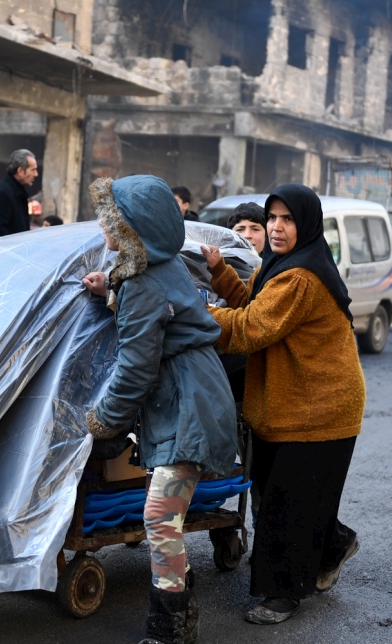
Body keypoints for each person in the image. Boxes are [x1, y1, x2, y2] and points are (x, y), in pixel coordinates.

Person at [82, 175, 238, 644]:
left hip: (188, 401)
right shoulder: (157, 266)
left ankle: (170, 627)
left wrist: (103, 421)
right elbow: (150, 303)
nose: (103, 226)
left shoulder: (143, 282)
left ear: (135, 229)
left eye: (112, 219)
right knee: (163, 513)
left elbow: (135, 368)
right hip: (191, 393)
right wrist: (109, 285)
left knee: (158, 515)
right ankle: (177, 610)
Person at [203, 184, 365, 625]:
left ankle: (282, 595)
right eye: (272, 217)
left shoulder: (300, 277)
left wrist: (188, 309)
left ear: (306, 224)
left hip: (318, 407)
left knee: (285, 504)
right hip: (291, 401)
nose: (275, 227)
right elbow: (252, 303)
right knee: (297, 494)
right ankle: (333, 545)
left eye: (286, 219)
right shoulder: (280, 265)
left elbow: (251, 328)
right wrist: (219, 273)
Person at [0, 149, 37, 237]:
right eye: (33, 170)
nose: (36, 174)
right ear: (20, 171)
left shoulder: (17, 191)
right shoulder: (2, 193)